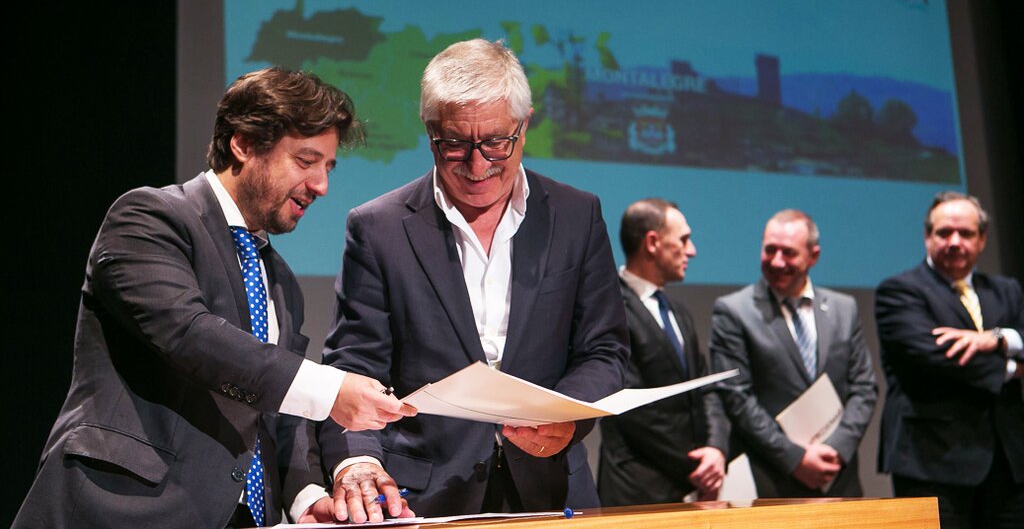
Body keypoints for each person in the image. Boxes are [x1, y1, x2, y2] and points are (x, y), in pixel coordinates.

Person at [13, 67, 414, 529]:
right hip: (120, 508)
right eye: (306, 161)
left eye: (328, 167)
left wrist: (305, 498)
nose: (321, 185)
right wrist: (330, 389)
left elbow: (279, 410)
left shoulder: (281, 280)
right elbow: (190, 335)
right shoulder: (149, 219)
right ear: (243, 144)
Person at [310, 38, 629, 523]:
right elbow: (355, 363)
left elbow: (603, 349)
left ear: (525, 125)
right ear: (429, 132)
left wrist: (567, 417)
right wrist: (358, 460)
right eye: (455, 144)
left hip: (552, 491)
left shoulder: (576, 215)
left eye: (496, 142)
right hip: (422, 500)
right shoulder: (378, 227)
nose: (478, 166)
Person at [875, 191, 1023, 529]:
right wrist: (1015, 368)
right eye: (944, 233)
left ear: (982, 239)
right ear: (927, 236)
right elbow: (940, 359)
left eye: (966, 233)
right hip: (933, 463)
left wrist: (997, 338)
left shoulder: (1007, 290)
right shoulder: (899, 291)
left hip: (1009, 464)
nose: (955, 242)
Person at [709, 209, 876, 497]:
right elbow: (737, 397)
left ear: (813, 256)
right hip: (771, 479)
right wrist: (796, 458)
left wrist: (836, 449)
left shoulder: (843, 308)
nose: (777, 261)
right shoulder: (734, 311)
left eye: (788, 253)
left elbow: (864, 387)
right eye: (769, 250)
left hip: (837, 476)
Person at [597, 199, 729, 504]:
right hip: (637, 494)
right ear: (653, 243)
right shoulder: (608, 308)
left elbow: (706, 389)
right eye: (683, 240)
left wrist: (716, 449)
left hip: (689, 487)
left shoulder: (678, 312)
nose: (691, 250)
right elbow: (633, 409)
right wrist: (698, 466)